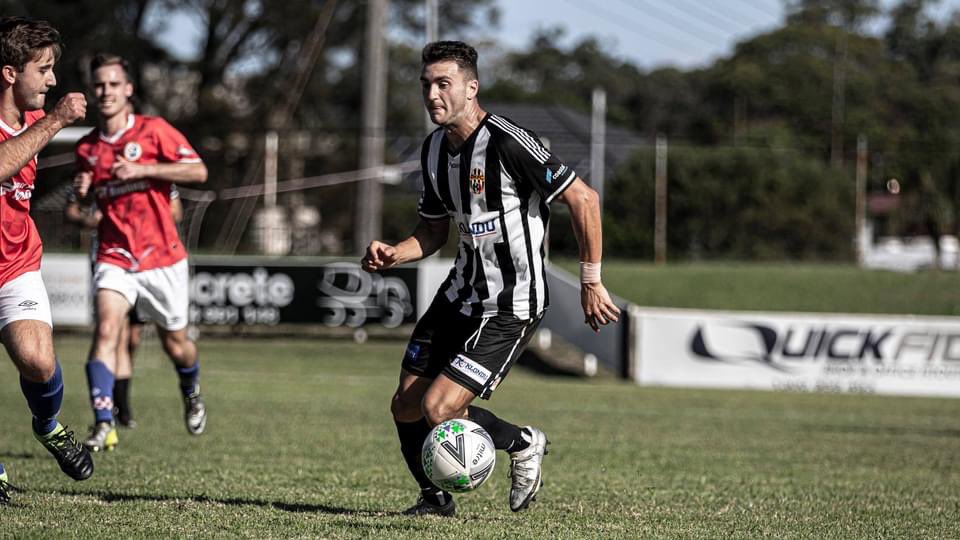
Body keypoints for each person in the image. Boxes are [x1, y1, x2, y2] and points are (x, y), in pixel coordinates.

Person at [361, 41, 621, 517]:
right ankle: (435, 500)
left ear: (471, 88)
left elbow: (585, 199)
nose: (433, 95)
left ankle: (522, 441)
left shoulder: (506, 140)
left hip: (511, 304)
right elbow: (433, 230)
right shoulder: (434, 150)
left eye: (444, 84)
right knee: (405, 405)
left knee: (440, 409)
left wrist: (591, 280)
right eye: (426, 85)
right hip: (458, 296)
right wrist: (395, 252)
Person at [72, 53, 208, 452]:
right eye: (99, 84)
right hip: (116, 256)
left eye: (114, 84)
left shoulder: (154, 131)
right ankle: (103, 421)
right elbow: (83, 206)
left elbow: (198, 171)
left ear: (128, 89)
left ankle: (191, 388)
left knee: (176, 345)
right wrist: (81, 196)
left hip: (163, 258)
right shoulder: (87, 148)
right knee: (107, 331)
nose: (106, 92)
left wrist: (145, 169)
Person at [0, 16, 95, 504]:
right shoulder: (43, 122)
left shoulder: (34, 122)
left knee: (39, 362)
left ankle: (49, 426)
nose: (53, 80)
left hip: (14, 263)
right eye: (45, 69)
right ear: (10, 73)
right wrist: (57, 119)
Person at [64, 183, 184, 429]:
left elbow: (176, 211)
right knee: (111, 333)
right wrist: (93, 219)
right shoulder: (95, 163)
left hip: (148, 261)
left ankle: (120, 406)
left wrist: (142, 218)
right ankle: (111, 412)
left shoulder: (152, 168)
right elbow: (71, 208)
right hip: (111, 260)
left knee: (133, 338)